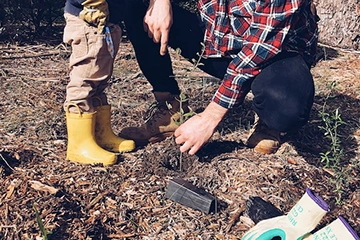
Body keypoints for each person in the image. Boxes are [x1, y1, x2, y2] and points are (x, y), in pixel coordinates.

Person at [120, 0, 319, 155]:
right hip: (221, 42)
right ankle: (171, 109)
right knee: (137, 5)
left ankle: (269, 123)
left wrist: (210, 117)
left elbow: (259, 50)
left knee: (287, 107)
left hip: (276, 53)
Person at [63, 0, 135, 166]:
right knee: (85, 79)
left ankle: (100, 135)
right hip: (88, 17)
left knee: (100, 79)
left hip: (107, 19)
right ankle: (79, 145)